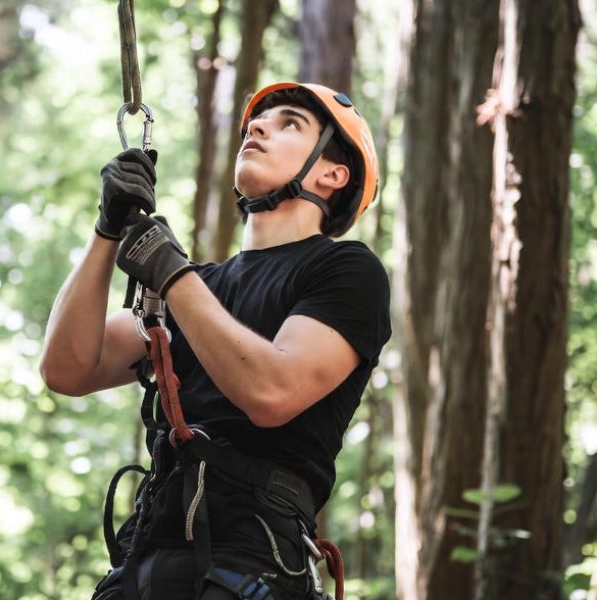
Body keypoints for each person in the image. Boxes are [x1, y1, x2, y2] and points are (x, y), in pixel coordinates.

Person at [40, 82, 392, 600]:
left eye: (290, 122)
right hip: (147, 551)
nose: (257, 127)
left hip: (255, 552)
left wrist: (170, 273)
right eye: (258, 121)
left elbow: (272, 393)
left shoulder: (345, 270)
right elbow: (68, 369)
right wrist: (106, 229)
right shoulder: (194, 288)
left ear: (331, 174)